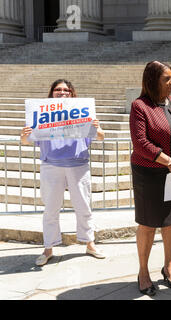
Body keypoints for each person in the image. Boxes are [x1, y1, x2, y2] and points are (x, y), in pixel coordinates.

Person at [20, 79, 106, 267]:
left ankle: (89, 243)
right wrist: (24, 136)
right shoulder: (41, 113)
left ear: (72, 93)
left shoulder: (84, 113)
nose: (62, 92)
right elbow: (27, 142)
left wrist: (97, 127)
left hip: (78, 164)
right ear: (51, 93)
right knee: (50, 209)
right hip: (51, 165)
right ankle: (48, 248)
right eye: (58, 89)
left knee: (84, 206)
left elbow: (100, 136)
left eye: (66, 90)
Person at [129, 61, 171, 296]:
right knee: (148, 223)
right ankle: (143, 272)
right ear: (153, 80)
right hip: (150, 172)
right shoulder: (140, 106)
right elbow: (141, 143)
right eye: (167, 78)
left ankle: (169, 266)